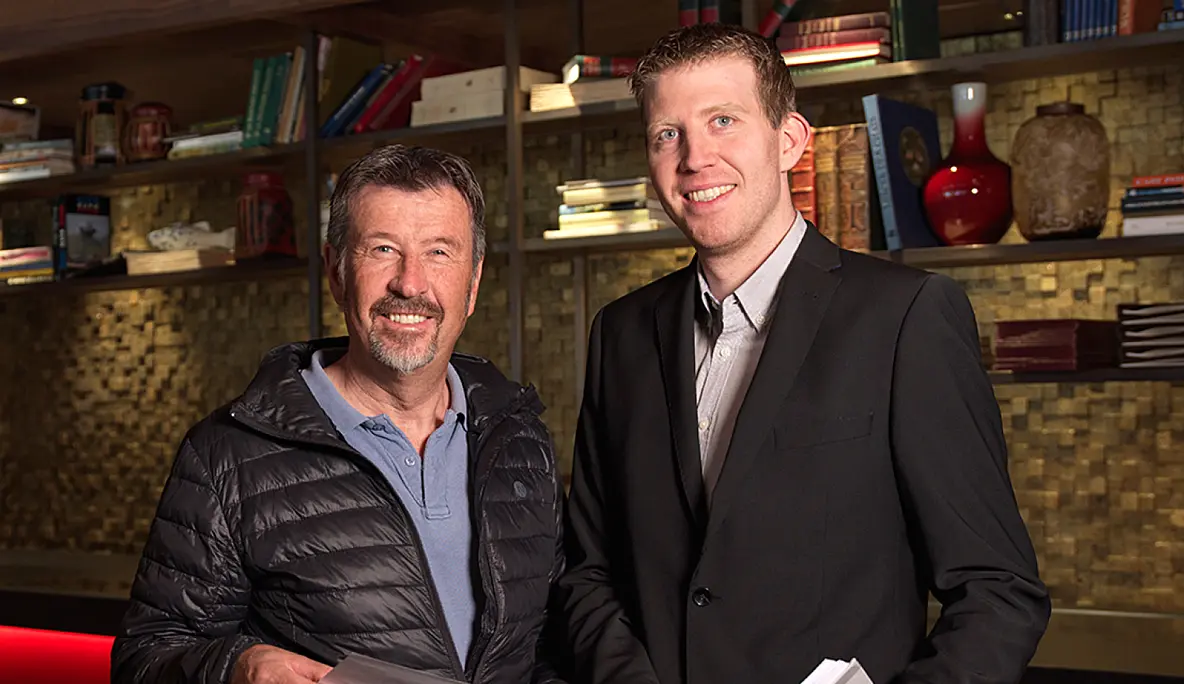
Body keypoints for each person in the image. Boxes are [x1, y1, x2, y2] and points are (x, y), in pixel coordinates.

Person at [556, 22, 1051, 684]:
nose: (695, 157)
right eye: (667, 134)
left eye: (723, 121)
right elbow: (587, 571)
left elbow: (998, 592)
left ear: (789, 140)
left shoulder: (906, 317)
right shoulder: (620, 333)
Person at [111, 144, 567, 684]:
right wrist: (237, 667)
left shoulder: (520, 440)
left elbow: (554, 646)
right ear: (336, 272)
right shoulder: (226, 455)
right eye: (382, 249)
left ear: (472, 283)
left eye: (439, 252)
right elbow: (145, 659)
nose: (410, 283)